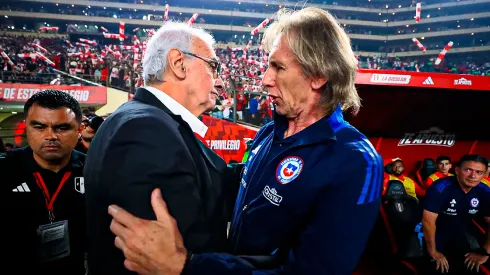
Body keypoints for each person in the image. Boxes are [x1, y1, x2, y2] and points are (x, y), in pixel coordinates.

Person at [107, 7, 383, 274]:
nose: (265, 79)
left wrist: (186, 267)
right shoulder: (267, 133)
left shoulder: (356, 159)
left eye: (278, 67)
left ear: (318, 75)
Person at [83, 22, 231, 275]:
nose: (218, 82)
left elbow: (216, 179)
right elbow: (173, 253)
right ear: (178, 63)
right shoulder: (146, 129)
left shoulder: (150, 121)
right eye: (212, 67)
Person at [0, 90, 86, 275]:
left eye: (62, 128)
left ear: (79, 130)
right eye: (39, 127)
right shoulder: (5, 170)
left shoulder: (94, 170)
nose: (50, 136)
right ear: (26, 127)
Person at [423, 154, 490, 274]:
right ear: (457, 170)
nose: (473, 176)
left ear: (484, 174)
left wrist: (485, 252)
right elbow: (428, 221)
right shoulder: (440, 187)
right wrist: (433, 252)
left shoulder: (484, 191)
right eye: (468, 170)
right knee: (437, 265)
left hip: (461, 228)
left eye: (479, 172)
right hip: (435, 229)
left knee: (469, 264)